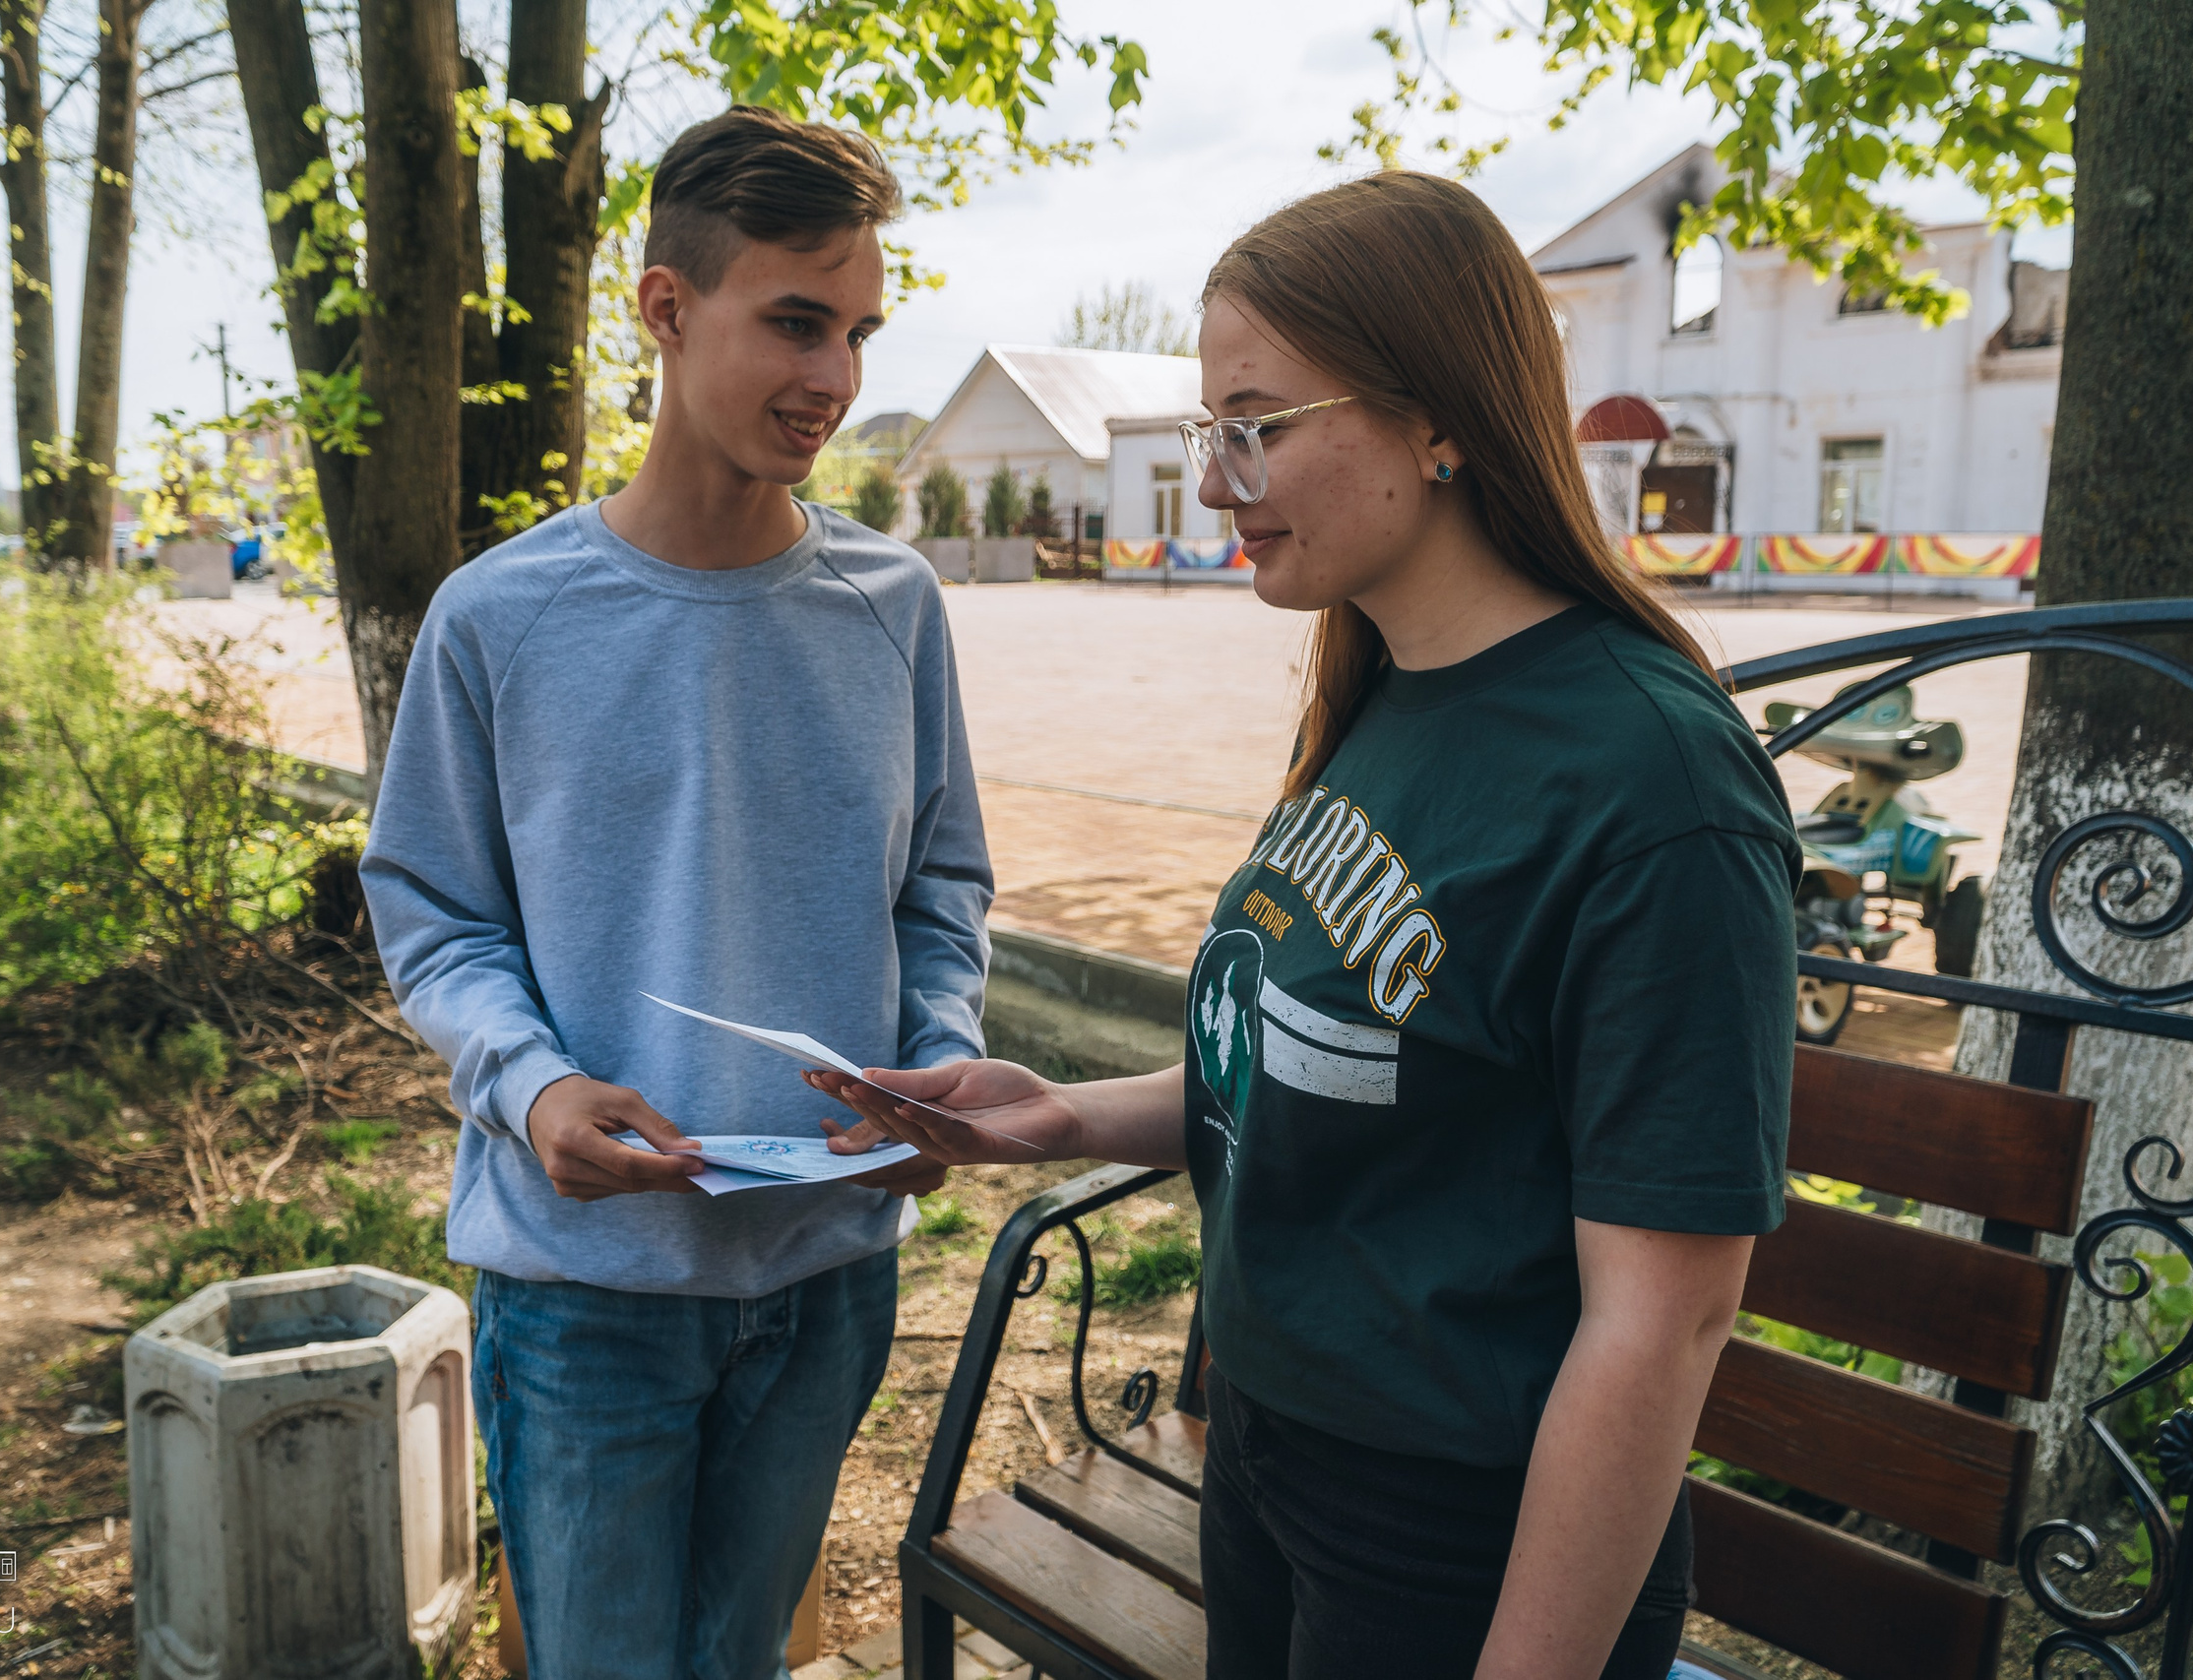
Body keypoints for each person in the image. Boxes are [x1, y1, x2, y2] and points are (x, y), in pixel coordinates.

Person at [813, 171, 1796, 1680]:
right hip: (1273, 1457)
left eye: (1257, 425)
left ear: (1441, 418)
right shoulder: (1382, 690)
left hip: (1458, 1533)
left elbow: (1664, 1319)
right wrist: (1054, 1114)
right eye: (1213, 431)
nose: (1216, 482)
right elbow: (1319, 1063)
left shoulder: (1653, 785)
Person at [360, 106, 991, 1680]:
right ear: (661, 306)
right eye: (794, 320)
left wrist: (937, 1055)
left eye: (856, 330)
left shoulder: (892, 605)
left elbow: (945, 884)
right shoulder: (498, 614)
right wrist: (533, 1082)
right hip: (586, 1294)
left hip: (831, 1269)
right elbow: (433, 906)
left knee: (742, 1662)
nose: (835, 378)